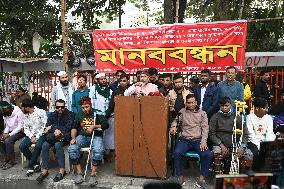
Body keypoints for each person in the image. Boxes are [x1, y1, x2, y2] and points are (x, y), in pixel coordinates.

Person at [170, 94, 212, 188]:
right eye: (189, 103)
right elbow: (175, 121)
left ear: (196, 102)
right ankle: (180, 176)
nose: (191, 104)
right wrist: (173, 127)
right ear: (186, 103)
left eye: (193, 102)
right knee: (177, 153)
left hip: (198, 140)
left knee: (207, 154)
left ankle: (202, 178)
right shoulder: (182, 112)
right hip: (185, 139)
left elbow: (205, 128)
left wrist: (204, 141)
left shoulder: (202, 113)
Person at [68, 97, 108, 186]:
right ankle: (79, 173)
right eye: (83, 107)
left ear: (90, 105)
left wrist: (94, 126)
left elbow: (106, 125)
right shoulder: (79, 114)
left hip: (96, 136)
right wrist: (73, 138)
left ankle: (93, 174)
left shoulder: (97, 112)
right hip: (83, 136)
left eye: (87, 107)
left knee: (98, 150)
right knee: (72, 148)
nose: (85, 109)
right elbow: (74, 127)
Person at [209, 97, 253, 174]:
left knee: (248, 155)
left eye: (226, 105)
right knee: (217, 152)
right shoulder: (215, 117)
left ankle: (245, 176)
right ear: (220, 106)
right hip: (220, 143)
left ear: (230, 105)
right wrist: (221, 145)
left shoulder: (237, 117)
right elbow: (212, 134)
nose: (224, 107)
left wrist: (242, 147)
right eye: (222, 106)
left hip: (236, 143)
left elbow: (245, 133)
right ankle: (218, 176)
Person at [36, 99, 74, 183]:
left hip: (64, 137)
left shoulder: (70, 114)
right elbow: (47, 127)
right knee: (45, 145)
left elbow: (69, 127)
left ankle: (62, 170)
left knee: (57, 145)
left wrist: (55, 128)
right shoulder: (52, 115)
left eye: (62, 107)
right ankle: (45, 170)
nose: (60, 108)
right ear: (55, 107)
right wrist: (55, 128)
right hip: (53, 136)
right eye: (58, 107)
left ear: (65, 106)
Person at [105, 74, 130, 161]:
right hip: (119, 117)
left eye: (124, 81)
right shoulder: (116, 92)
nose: (122, 83)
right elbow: (111, 105)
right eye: (121, 81)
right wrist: (106, 116)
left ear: (128, 81)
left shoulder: (132, 90)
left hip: (129, 117)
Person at [246, 97, 276, 170]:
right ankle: (257, 173)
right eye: (264, 108)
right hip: (253, 141)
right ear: (257, 108)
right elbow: (250, 134)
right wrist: (260, 145)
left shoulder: (268, 118)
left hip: (265, 141)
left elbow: (270, 132)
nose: (267, 110)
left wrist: (267, 144)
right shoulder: (249, 117)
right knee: (255, 154)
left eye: (267, 107)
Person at [19, 99, 47, 176]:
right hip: (30, 134)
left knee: (38, 146)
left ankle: (30, 165)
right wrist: (31, 136)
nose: (21, 109)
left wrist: (37, 137)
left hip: (41, 134)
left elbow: (45, 126)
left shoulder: (41, 112)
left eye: (22, 107)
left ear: (27, 107)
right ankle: (35, 163)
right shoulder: (25, 114)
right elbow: (26, 128)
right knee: (22, 146)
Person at [0, 101, 25, 170]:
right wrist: (5, 133)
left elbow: (20, 126)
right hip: (11, 130)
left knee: (8, 141)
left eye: (3, 110)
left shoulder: (18, 112)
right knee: (1, 139)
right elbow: (7, 125)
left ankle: (12, 161)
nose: (2, 112)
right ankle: (6, 158)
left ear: (8, 108)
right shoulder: (5, 113)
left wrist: (9, 134)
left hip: (21, 131)